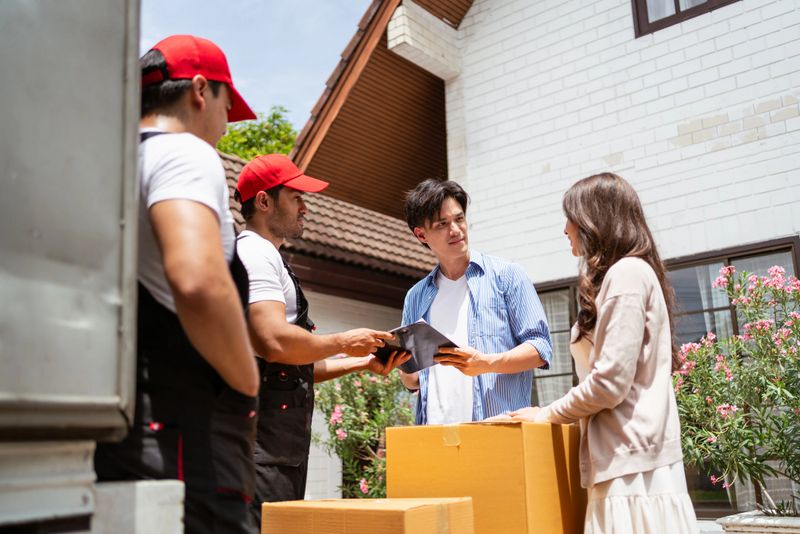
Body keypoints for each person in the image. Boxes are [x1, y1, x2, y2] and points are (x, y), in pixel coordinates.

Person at [94, 35, 260, 533]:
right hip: (191, 440)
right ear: (200, 91)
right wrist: (247, 378)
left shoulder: (114, 164)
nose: (227, 127)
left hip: (128, 429)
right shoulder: (184, 152)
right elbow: (198, 281)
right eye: (228, 107)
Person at [505, 173, 698, 533]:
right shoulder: (629, 274)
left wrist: (547, 414)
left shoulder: (626, 275)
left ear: (596, 220)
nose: (566, 229)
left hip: (630, 471)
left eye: (571, 217)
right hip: (630, 462)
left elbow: (609, 383)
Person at [234, 154, 410, 526]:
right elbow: (273, 341)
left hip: (278, 450)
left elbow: (295, 364)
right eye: (296, 197)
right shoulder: (254, 252)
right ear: (264, 201)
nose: (305, 207)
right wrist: (345, 340)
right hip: (261, 447)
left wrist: (364, 361)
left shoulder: (271, 257)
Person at [398, 179, 552, 424]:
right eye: (443, 224)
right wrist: (403, 368)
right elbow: (413, 379)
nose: (456, 230)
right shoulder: (416, 296)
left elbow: (540, 348)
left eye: (459, 219)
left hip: (496, 431)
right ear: (421, 234)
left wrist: (486, 363)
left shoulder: (506, 276)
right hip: (435, 435)